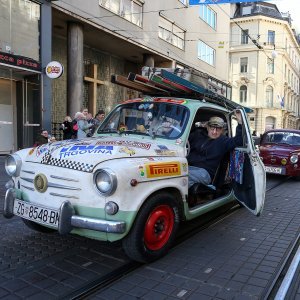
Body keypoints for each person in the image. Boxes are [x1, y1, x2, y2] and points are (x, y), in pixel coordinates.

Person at [187, 112, 243, 188]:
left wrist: (240, 122)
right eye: (212, 128)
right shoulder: (198, 135)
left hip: (205, 173)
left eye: (218, 129)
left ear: (222, 130)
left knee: (181, 176)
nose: (214, 132)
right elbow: (182, 141)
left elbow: (238, 141)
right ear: (207, 127)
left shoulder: (223, 141)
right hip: (188, 167)